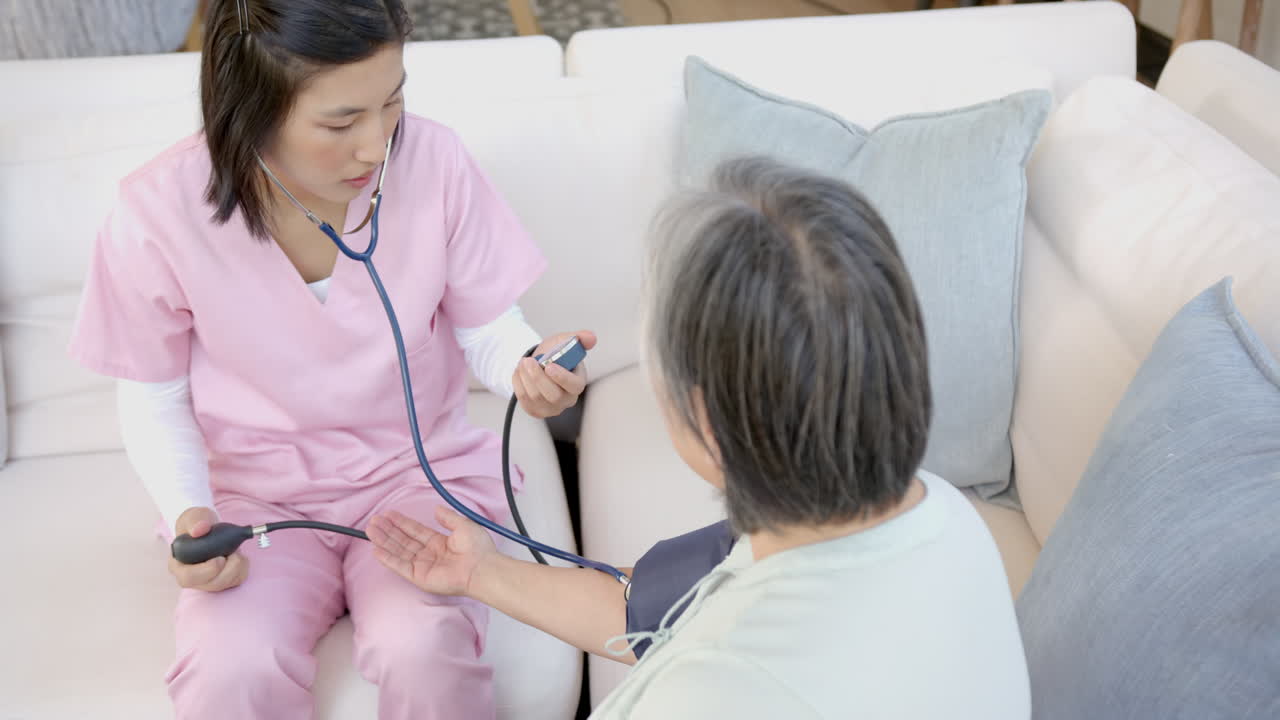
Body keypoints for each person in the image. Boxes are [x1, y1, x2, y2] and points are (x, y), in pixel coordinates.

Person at [67, 1, 588, 718]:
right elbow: (154, 397)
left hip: (415, 476)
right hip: (255, 501)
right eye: (341, 123)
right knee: (229, 670)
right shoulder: (155, 213)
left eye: (393, 101)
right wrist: (191, 514)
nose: (377, 146)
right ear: (250, 113)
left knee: (423, 646)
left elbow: (489, 329)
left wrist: (529, 368)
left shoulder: (433, 161)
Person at [369, 157, 1031, 718]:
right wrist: (479, 573)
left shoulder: (704, 694)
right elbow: (650, 610)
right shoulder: (934, 515)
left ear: (705, 421)